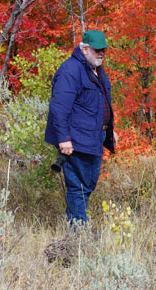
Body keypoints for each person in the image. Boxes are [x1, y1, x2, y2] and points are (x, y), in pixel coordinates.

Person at [44, 30, 117, 225]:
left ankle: (75, 225)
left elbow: (101, 103)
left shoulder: (96, 70)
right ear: (84, 49)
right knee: (78, 185)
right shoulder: (70, 70)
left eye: (104, 50)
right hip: (75, 139)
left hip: (94, 136)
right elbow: (59, 108)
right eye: (97, 50)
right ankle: (78, 231)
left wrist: (109, 129)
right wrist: (64, 139)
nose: (101, 53)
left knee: (89, 183)